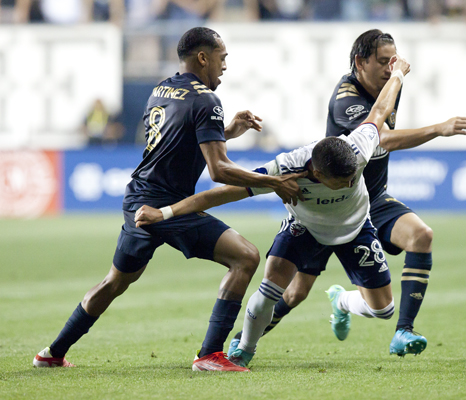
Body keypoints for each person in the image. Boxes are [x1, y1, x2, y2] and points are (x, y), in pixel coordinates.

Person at [33, 27, 305, 372]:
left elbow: (180, 141)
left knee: (114, 282)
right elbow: (219, 170)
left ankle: (51, 353)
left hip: (137, 201)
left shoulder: (163, 88)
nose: (224, 66)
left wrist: (229, 131)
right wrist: (273, 181)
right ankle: (210, 354)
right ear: (203, 57)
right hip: (166, 206)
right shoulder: (207, 99)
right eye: (222, 58)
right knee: (247, 257)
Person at [135, 53, 412, 367]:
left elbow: (379, 110)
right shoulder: (285, 171)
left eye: (354, 178)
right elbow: (219, 195)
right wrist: (165, 213)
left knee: (384, 310)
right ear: (317, 175)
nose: (351, 184)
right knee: (270, 291)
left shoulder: (358, 145)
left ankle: (341, 300)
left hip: (355, 228)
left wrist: (398, 76)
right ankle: (243, 351)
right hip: (304, 229)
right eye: (344, 181)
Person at [230, 29, 466, 358]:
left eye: (393, 61)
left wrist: (395, 77)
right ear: (359, 62)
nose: (390, 68)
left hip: (370, 199)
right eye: (381, 61)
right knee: (294, 294)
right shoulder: (347, 98)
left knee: (421, 236)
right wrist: (438, 128)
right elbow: (381, 137)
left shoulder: (389, 82)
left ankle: (400, 329)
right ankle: (243, 341)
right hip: (327, 205)